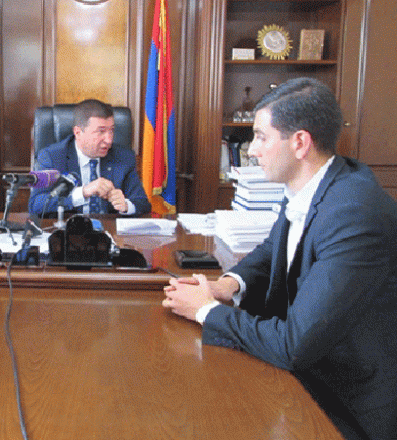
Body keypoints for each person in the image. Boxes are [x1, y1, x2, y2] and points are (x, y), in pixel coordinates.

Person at [162, 77, 397, 440]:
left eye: (261, 137)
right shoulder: (315, 184)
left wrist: (205, 310)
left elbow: (294, 345)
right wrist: (228, 285)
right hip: (308, 375)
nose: (252, 150)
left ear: (300, 143)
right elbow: (274, 247)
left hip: (345, 405)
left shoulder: (354, 213)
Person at [28, 99, 151, 216]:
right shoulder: (51, 157)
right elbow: (35, 205)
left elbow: (143, 203)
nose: (109, 140)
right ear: (78, 132)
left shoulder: (123, 157)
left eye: (111, 130)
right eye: (101, 131)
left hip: (109, 228)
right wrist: (83, 192)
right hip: (68, 227)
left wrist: (126, 205)